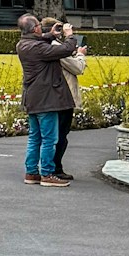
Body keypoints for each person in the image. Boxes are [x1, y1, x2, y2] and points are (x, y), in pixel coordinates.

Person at [16, 12, 79, 185]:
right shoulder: (38, 48)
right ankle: (47, 174)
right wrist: (70, 36)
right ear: (34, 28)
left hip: (33, 98)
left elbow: (38, 40)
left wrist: (51, 35)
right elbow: (66, 49)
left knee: (35, 138)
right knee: (50, 139)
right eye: (37, 25)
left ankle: (31, 172)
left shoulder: (22, 44)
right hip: (46, 99)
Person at [46, 15, 87, 182]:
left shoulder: (41, 45)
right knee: (60, 135)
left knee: (49, 135)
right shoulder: (56, 47)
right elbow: (77, 67)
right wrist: (80, 54)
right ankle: (55, 168)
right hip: (63, 96)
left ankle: (48, 167)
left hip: (50, 95)